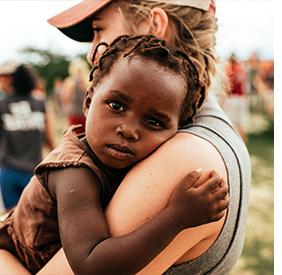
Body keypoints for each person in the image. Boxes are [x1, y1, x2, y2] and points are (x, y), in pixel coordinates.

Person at [32, 0, 251, 273]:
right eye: (117, 106)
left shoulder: (187, 156)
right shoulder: (213, 131)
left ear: (153, 26)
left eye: (99, 31)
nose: (91, 53)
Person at [0, 35, 227, 274]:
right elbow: (91, 265)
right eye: (116, 106)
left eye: (153, 121)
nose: (128, 130)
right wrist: (177, 218)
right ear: (88, 102)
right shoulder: (73, 171)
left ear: (177, 130)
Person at [0, 64, 56, 209]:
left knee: (12, 221)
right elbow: (50, 138)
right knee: (35, 219)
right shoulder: (40, 103)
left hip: (8, 171)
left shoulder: (3, 105)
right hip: (34, 171)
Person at [56, 58, 91, 134]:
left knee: (75, 139)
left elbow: (64, 98)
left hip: (74, 114)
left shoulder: (70, 81)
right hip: (88, 115)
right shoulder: (88, 81)